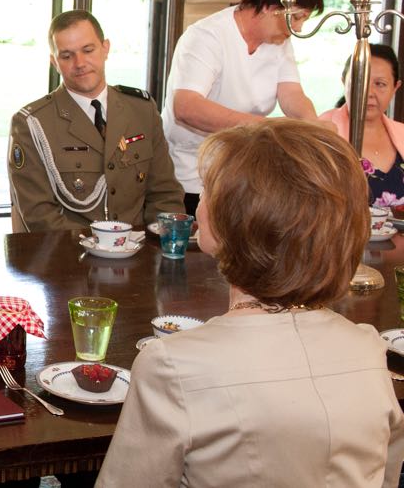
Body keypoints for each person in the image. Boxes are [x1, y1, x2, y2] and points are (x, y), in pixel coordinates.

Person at [96, 119, 404, 487]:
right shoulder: (368, 352)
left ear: (236, 223)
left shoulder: (171, 367)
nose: (199, 202)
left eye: (208, 190)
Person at [161, 0, 326, 214]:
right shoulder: (207, 36)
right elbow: (186, 106)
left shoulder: (279, 41)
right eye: (297, 17)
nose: (298, 29)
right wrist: (266, 127)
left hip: (241, 170)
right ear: (270, 8)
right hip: (190, 173)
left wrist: (312, 125)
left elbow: (292, 94)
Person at [7, 10, 184, 233]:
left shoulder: (142, 110)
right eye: (67, 56)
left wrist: (159, 244)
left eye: (88, 50)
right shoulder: (32, 124)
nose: (80, 63)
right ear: (54, 62)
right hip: (69, 256)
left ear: (105, 48)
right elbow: (39, 215)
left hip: (140, 254)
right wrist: (103, 246)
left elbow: (165, 193)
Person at [320, 44, 404, 206]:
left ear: (395, 88)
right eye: (360, 81)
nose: (368, 92)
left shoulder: (401, 132)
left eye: (380, 84)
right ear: (344, 81)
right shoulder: (322, 131)